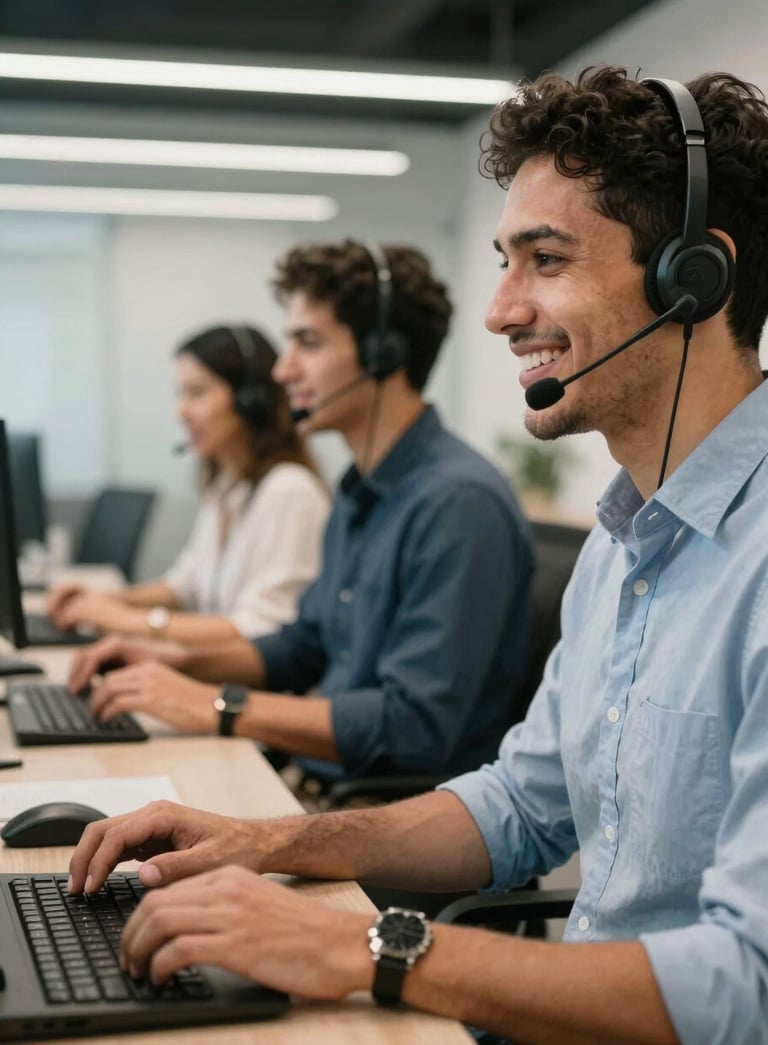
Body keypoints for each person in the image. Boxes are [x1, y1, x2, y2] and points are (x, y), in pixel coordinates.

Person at [68, 66, 768, 1043]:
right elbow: (520, 802)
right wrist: (263, 840)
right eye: (502, 260)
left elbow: (749, 985)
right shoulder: (624, 543)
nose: (499, 310)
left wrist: (372, 948)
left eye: (545, 260)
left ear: (693, 278)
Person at [66, 240, 534, 784]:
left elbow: (413, 726)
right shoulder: (360, 491)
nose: (283, 372)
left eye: (306, 343)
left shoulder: (456, 503)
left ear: (384, 353)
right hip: (323, 785)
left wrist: (217, 704)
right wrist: (169, 663)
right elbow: (302, 647)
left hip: (389, 819)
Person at [46, 325, 329, 643]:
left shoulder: (289, 492)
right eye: (180, 394)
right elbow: (187, 585)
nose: (181, 412)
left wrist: (125, 620)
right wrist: (109, 600)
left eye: (197, 392)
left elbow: (264, 628)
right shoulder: (226, 487)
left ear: (250, 400)